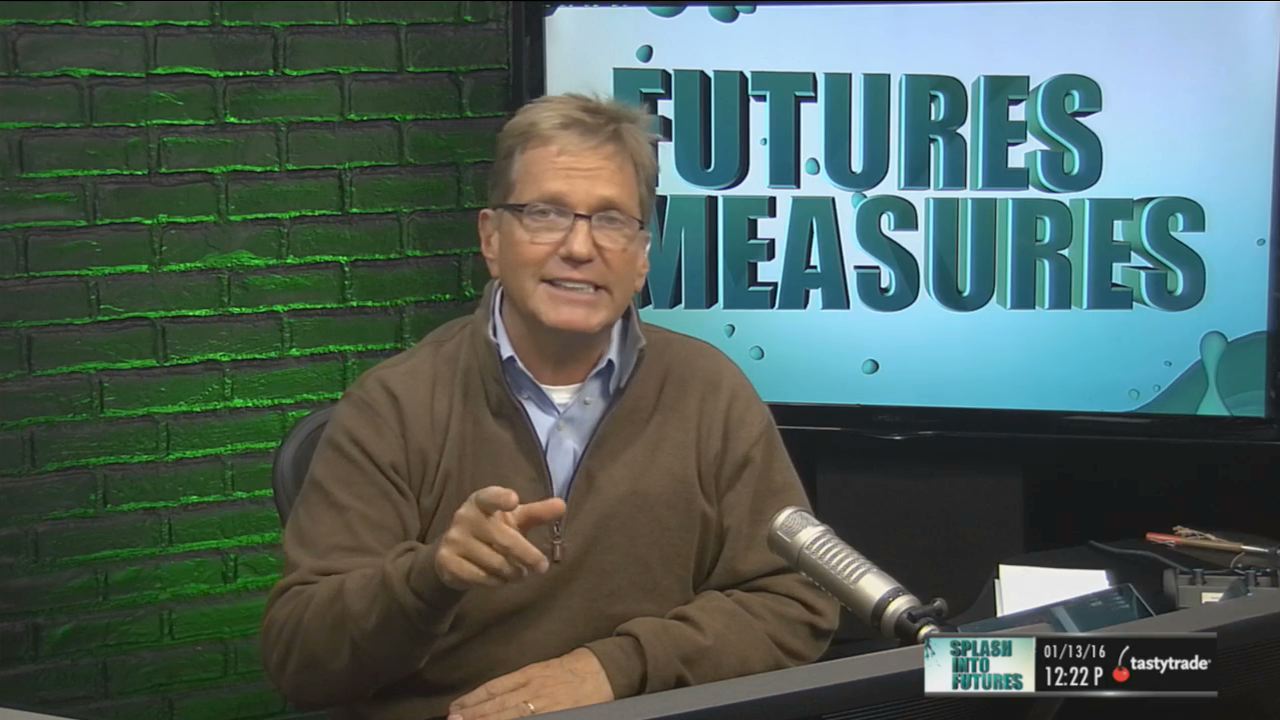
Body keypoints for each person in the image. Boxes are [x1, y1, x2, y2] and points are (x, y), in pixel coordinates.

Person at [261, 94, 839, 720]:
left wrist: (616, 668)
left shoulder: (709, 391)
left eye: (611, 220)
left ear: (641, 257)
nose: (580, 247)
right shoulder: (394, 406)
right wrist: (430, 577)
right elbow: (301, 659)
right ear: (491, 238)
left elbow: (796, 604)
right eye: (546, 213)